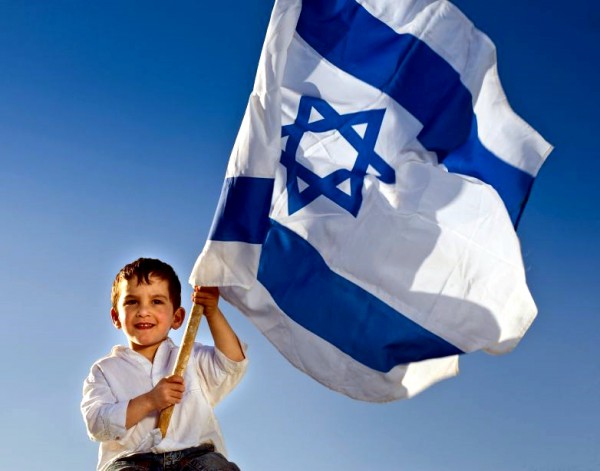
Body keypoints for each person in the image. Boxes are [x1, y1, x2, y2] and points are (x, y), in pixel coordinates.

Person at [81, 257, 248, 471]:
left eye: (156, 301)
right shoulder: (105, 370)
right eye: (132, 301)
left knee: (215, 467)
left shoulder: (191, 357)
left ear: (177, 318)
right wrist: (150, 401)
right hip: (132, 461)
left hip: (194, 456)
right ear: (116, 317)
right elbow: (97, 424)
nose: (143, 311)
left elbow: (232, 363)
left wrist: (212, 312)